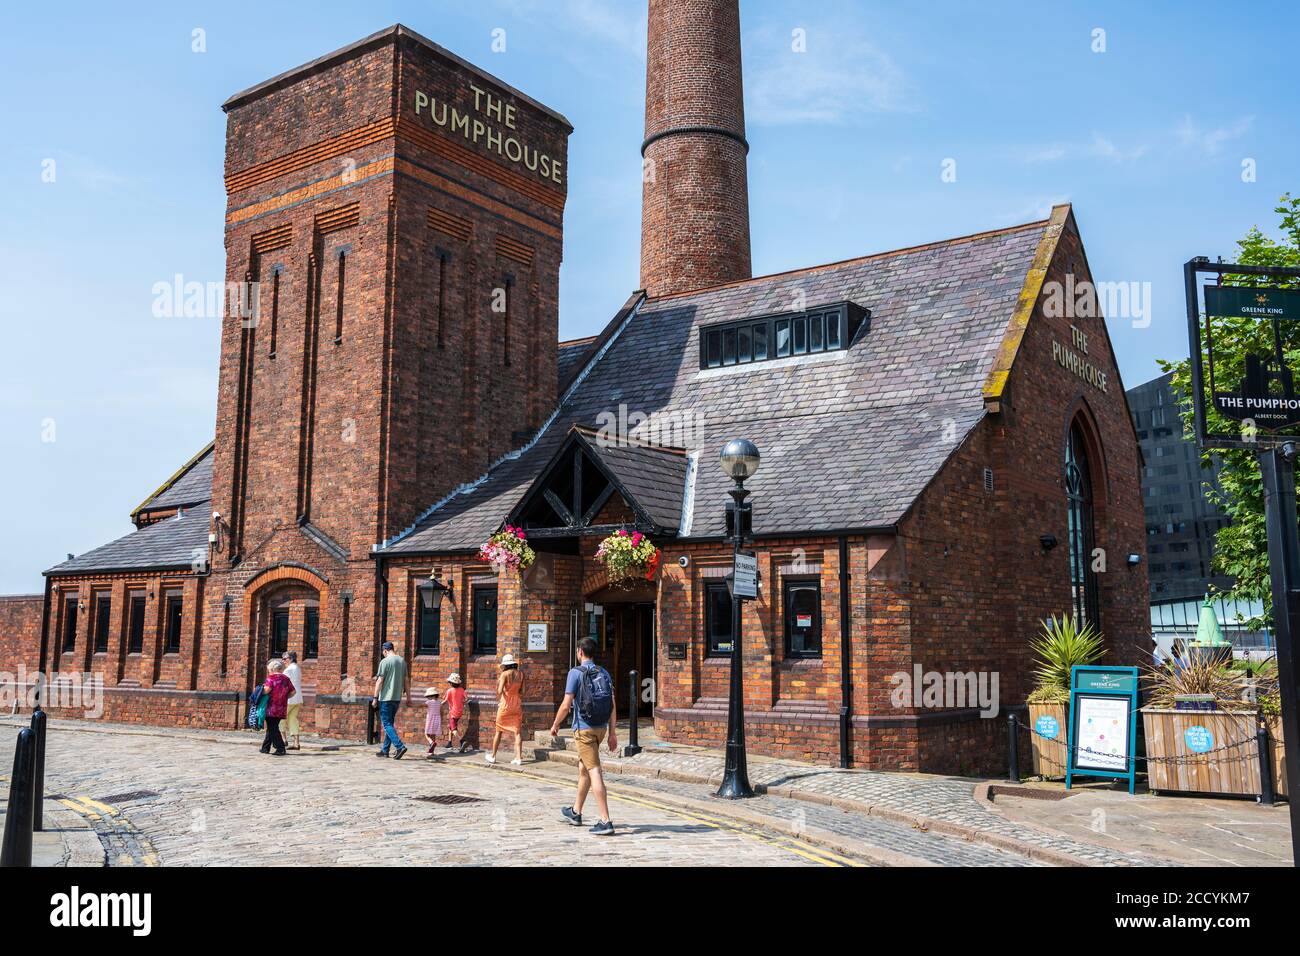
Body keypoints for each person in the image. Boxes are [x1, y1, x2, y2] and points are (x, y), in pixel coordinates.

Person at [548, 637, 617, 836]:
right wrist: (612, 732)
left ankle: (605, 820)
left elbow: (565, 704)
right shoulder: (603, 672)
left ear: (579, 652)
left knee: (594, 771)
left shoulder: (575, 673)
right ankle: (576, 812)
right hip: (601, 728)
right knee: (584, 769)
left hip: (584, 729)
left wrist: (555, 724)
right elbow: (612, 704)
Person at [371, 641, 409, 759]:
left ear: (385, 651)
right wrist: (409, 697)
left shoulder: (384, 661)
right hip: (397, 698)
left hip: (386, 698)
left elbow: (379, 681)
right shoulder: (402, 661)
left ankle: (400, 746)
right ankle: (385, 750)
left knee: (387, 724)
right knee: (390, 724)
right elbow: (406, 681)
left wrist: (375, 698)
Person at [486, 653, 525, 766]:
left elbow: (499, 691)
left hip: (505, 705)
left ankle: (493, 756)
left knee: (499, 731)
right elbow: (523, 691)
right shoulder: (521, 674)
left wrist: (504, 689)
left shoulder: (504, 674)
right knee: (517, 732)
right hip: (516, 705)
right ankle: (518, 758)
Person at [260, 659, 296, 757]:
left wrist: (259, 691)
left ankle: (280, 748)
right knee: (272, 727)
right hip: (281, 707)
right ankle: (265, 748)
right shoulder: (286, 679)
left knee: (273, 728)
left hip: (271, 707)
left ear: (271, 668)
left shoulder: (271, 678)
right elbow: (293, 692)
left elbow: (267, 690)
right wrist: (284, 697)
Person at [282, 651, 303, 751]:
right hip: (298, 697)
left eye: (285, 659)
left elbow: (283, 685)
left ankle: (283, 740)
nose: (283, 661)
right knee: (293, 719)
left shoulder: (288, 670)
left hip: (289, 698)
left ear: (290, 658)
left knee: (280, 719)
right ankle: (296, 743)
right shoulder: (297, 668)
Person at [443, 673, 469, 753]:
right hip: (459, 712)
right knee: (450, 726)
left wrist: (438, 704)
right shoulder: (462, 690)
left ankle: (462, 741)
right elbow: (466, 699)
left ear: (451, 683)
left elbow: (445, 700)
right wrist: (462, 702)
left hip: (453, 712)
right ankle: (449, 743)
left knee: (453, 728)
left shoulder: (449, 691)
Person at [423, 686, 442, 758]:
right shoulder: (439, 702)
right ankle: (432, 752)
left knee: (426, 734)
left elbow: (421, 705)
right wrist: (441, 720)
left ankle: (431, 743)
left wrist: (412, 705)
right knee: (433, 735)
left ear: (430, 696)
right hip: (437, 718)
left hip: (430, 719)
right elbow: (441, 712)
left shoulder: (428, 702)